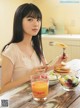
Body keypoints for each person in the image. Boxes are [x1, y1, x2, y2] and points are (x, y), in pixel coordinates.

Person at [0, 3, 67, 93]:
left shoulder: (36, 46)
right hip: (18, 100)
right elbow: (3, 89)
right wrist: (28, 76)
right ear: (19, 22)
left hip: (38, 93)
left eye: (38, 19)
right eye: (30, 19)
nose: (36, 24)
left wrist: (57, 64)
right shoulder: (10, 51)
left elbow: (44, 70)